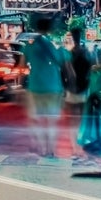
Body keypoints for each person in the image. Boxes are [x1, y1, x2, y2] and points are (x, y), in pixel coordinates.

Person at [18, 17, 72, 160]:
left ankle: (41, 148)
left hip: (35, 86)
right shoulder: (55, 45)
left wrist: (24, 80)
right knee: (51, 121)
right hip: (54, 87)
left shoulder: (29, 46)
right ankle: (50, 150)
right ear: (50, 29)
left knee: (39, 120)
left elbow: (22, 67)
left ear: (36, 28)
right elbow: (65, 63)